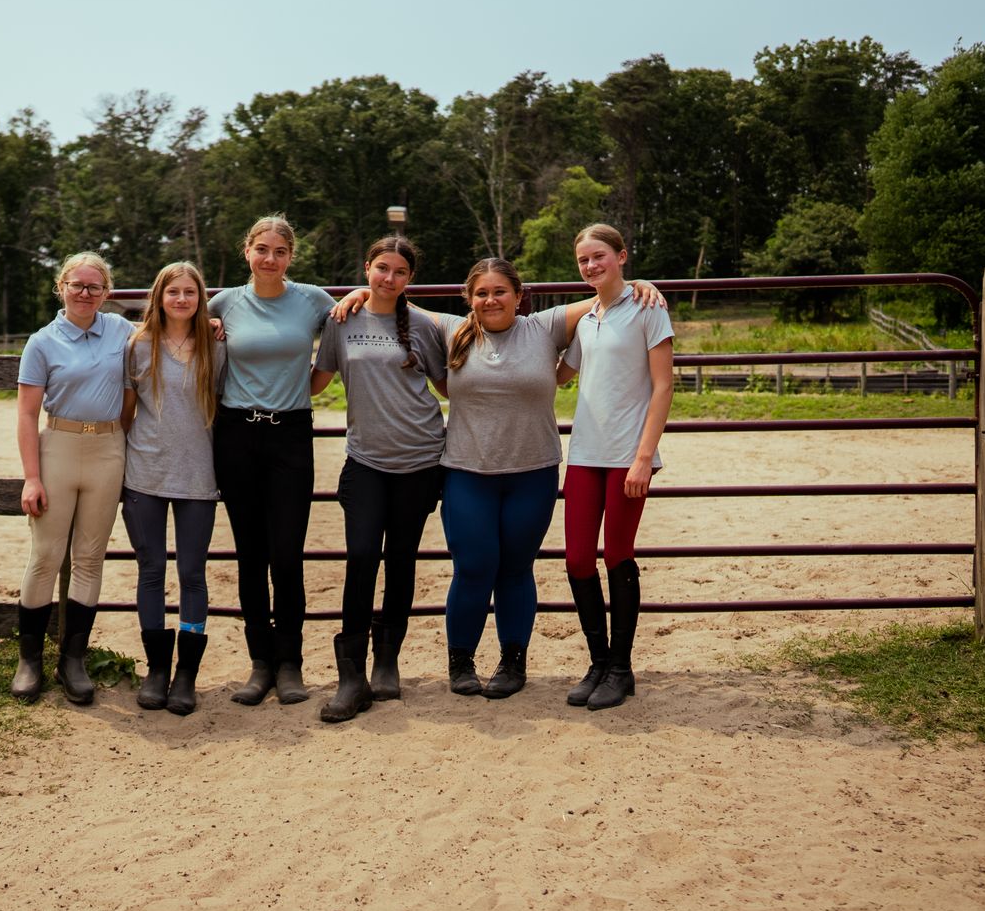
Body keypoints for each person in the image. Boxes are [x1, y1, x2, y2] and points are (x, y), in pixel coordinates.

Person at [438, 258, 664, 699]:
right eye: (481, 293)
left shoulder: (544, 327)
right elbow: (390, 301)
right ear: (469, 298)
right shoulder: (450, 329)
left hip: (532, 471)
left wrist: (639, 281)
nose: (490, 300)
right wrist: (359, 293)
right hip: (467, 471)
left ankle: (512, 661)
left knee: (516, 569)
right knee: (473, 566)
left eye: (500, 291)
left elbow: (607, 292)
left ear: (519, 295)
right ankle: (461, 661)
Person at [308, 235, 449, 723]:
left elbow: (450, 385)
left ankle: (387, 661)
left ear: (410, 279)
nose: (389, 278)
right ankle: (352, 676)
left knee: (402, 561)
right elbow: (315, 381)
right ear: (366, 268)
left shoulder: (426, 327)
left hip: (421, 459)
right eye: (381, 268)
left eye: (400, 272)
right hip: (366, 461)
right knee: (362, 557)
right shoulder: (341, 321)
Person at [209, 215, 334, 705]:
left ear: (290, 257)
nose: (270, 259)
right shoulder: (224, 303)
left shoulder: (312, 300)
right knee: (249, 555)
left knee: (287, 554)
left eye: (280, 251)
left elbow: (355, 314)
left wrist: (362, 295)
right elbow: (179, 329)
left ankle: (291, 664)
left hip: (291, 435)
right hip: (237, 434)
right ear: (248, 251)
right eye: (262, 249)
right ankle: (259, 663)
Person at [557, 224, 675, 711]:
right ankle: (598, 662)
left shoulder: (649, 310)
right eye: (583, 260)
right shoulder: (587, 320)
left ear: (622, 256)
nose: (590, 266)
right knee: (578, 559)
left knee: (616, 555)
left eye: (599, 256)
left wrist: (644, 457)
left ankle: (622, 669)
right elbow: (560, 373)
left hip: (629, 456)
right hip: (584, 454)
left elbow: (664, 386)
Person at [11, 252, 133, 706]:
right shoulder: (42, 342)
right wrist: (31, 477)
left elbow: (170, 333)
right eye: (77, 285)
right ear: (61, 287)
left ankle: (74, 659)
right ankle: (29, 661)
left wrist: (214, 325)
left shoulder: (121, 331)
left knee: (89, 558)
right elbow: (26, 413)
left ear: (107, 293)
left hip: (107, 449)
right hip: (58, 446)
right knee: (45, 556)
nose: (85, 293)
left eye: (94, 287)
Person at [121, 262, 224, 717]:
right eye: (173, 292)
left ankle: (186, 674)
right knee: (150, 570)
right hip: (145, 473)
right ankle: (157, 669)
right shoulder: (138, 346)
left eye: (190, 293)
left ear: (201, 299)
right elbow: (127, 411)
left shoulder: (216, 346)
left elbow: (222, 407)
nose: (182, 300)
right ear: (159, 297)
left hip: (198, 476)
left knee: (193, 574)